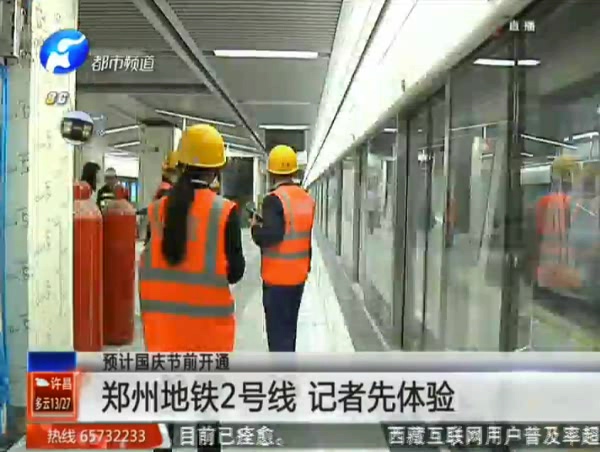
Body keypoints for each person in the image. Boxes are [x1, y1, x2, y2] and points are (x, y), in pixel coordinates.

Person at [139, 124, 245, 452]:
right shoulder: (224, 211)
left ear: (181, 164)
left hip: (164, 333)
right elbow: (235, 272)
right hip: (207, 336)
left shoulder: (157, 209)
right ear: (216, 170)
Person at [250, 144, 315, 352]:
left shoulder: (273, 200)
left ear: (271, 173)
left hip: (277, 279)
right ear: (294, 172)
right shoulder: (306, 198)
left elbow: (270, 236)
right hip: (299, 275)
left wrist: (255, 228)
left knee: (277, 336)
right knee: (289, 330)